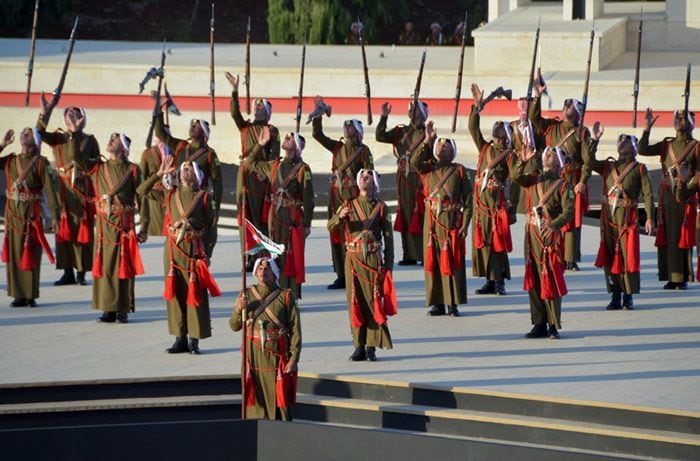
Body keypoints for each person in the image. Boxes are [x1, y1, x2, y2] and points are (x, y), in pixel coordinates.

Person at [137, 156, 219, 354]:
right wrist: (158, 174)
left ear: (197, 175)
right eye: (184, 168)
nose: (186, 170)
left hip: (194, 251)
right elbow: (142, 191)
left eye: (190, 168)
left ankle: (194, 339)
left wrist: (207, 253)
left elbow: (212, 228)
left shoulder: (205, 197)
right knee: (176, 293)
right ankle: (179, 337)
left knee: (195, 294)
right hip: (173, 251)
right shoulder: (169, 194)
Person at [530, 70, 597, 271]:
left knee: (571, 219)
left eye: (571, 104)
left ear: (578, 112)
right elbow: (536, 121)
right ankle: (552, 250)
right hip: (551, 177)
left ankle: (570, 257)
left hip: (571, 178)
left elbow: (587, 160)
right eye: (565, 104)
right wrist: (537, 97)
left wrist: (582, 181)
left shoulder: (581, 132)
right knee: (550, 215)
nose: (567, 106)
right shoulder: (553, 127)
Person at [327, 169, 396, 361]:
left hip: (373, 260)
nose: (365, 177)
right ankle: (358, 346)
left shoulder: (381, 208)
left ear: (375, 183)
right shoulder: (348, 204)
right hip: (353, 260)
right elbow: (330, 226)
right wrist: (340, 217)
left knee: (373, 301)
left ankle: (371, 347)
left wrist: (388, 266)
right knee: (354, 301)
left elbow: (389, 239)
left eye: (369, 176)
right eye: (362, 175)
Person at [80, 133, 147, 323]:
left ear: (124, 149)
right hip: (103, 226)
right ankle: (107, 308)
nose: (111, 139)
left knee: (123, 266)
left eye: (116, 139)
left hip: (123, 225)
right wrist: (75, 132)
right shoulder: (98, 167)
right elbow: (77, 158)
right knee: (105, 266)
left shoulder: (133, 170)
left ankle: (122, 308)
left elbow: (142, 199)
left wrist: (144, 227)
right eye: (110, 137)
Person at [510, 146, 574, 339]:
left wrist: (554, 225)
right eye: (546, 152)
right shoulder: (533, 178)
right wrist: (523, 161)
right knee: (534, 279)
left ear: (561, 161)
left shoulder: (564, 186)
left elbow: (569, 211)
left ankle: (553, 324)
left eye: (553, 153)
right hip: (531, 236)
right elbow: (515, 177)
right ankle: (539, 323)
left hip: (549, 237)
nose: (547, 154)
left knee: (551, 279)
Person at [312, 96, 374, 290]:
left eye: (351, 127)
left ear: (358, 132)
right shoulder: (337, 147)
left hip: (353, 198)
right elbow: (318, 135)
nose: (347, 129)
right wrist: (318, 115)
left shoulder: (364, 151)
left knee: (352, 236)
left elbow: (370, 174)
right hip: (335, 197)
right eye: (346, 127)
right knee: (336, 235)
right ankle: (340, 274)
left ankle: (355, 271)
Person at [411, 122, 472, 317]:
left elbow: (469, 200)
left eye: (446, 145)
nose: (441, 146)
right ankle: (437, 302)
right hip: (432, 222)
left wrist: (466, 224)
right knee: (433, 261)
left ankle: (453, 302)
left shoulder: (460, 170)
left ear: (453, 151)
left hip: (452, 219)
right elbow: (414, 162)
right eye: (438, 144)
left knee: (452, 261)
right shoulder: (427, 168)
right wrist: (427, 139)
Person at [245, 127, 314, 299]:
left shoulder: (303, 169)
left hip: (292, 216)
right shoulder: (274, 165)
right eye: (286, 136)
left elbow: (309, 199)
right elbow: (250, 163)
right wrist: (260, 145)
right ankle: (275, 292)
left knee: (292, 254)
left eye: (291, 137)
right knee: (274, 254)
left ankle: (291, 295)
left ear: (297, 146)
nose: (286, 138)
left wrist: (306, 224)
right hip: (274, 217)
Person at [36, 100, 100, 286]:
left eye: (76, 112)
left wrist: (76, 131)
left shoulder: (89, 139)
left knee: (82, 231)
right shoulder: (58, 138)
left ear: (82, 118)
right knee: (63, 232)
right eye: (68, 112)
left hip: (81, 190)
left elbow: (96, 163)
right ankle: (67, 272)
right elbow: (38, 134)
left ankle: (81, 272)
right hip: (62, 189)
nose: (71, 115)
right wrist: (44, 114)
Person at [589, 132, 654, 310]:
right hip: (609, 219)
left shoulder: (639, 168)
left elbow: (648, 194)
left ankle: (628, 295)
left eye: (627, 140)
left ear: (635, 148)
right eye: (620, 140)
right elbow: (589, 161)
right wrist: (594, 140)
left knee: (628, 257)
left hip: (628, 219)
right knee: (610, 257)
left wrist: (649, 217)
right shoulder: (608, 166)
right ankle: (615, 294)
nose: (622, 142)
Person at [230, 257, 301, 420]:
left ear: (275, 273)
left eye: (267, 268)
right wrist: (238, 309)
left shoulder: (286, 296)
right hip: (253, 359)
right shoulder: (246, 294)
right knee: (255, 402)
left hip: (276, 358)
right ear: (255, 272)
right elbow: (234, 326)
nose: (263, 272)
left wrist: (294, 358)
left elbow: (296, 329)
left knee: (279, 401)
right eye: (260, 268)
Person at [225, 72, 280, 271]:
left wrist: (265, 173)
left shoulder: (272, 130)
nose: (256, 107)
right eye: (255, 105)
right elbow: (234, 113)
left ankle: (263, 256)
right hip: (244, 176)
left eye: (260, 106)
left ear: (267, 112)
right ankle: (248, 257)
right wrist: (234, 91)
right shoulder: (245, 127)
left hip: (259, 175)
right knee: (244, 215)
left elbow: (274, 156)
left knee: (259, 217)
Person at [638, 108, 699, 290]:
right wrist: (647, 128)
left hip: (685, 195)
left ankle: (683, 277)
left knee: (682, 236)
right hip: (667, 197)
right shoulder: (667, 145)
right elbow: (643, 150)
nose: (678, 121)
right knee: (668, 237)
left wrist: (689, 182)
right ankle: (670, 277)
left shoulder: (696, 147)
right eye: (677, 118)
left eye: (683, 118)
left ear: (691, 124)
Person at [0, 128, 59, 307]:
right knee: (15, 253)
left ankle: (30, 294)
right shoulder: (10, 160)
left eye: (30, 132)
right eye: (23, 132)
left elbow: (50, 190)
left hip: (31, 214)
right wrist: (2, 145)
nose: (25, 133)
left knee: (31, 252)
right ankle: (18, 294)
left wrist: (55, 216)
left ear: (37, 141)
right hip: (13, 214)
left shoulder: (42, 163)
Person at [468, 84, 517, 296]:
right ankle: (488, 279)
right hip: (481, 204)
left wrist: (512, 208)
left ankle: (499, 282)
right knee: (484, 243)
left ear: (506, 135)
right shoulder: (485, 148)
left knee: (497, 243)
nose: (496, 127)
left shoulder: (509, 154)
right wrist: (478, 107)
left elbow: (514, 182)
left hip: (497, 204)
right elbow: (472, 127)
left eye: (501, 126)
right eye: (495, 125)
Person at [154, 101, 223, 250]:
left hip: (197, 198)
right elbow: (160, 134)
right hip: (178, 194)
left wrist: (215, 208)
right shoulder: (181, 146)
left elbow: (217, 183)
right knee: (174, 232)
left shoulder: (210, 154)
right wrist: (159, 111)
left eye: (196, 126)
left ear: (204, 133)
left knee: (197, 235)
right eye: (191, 125)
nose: (192, 127)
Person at [375, 100, 429, 266]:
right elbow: (380, 136)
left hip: (420, 179)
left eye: (419, 113)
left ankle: (423, 254)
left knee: (419, 213)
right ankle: (408, 255)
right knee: (405, 213)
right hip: (403, 179)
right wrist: (384, 117)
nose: (416, 115)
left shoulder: (428, 133)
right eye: (413, 112)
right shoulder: (401, 131)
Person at [139, 128, 173, 236]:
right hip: (153, 197)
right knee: (156, 230)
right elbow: (142, 180)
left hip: (171, 196)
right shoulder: (147, 153)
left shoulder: (175, 152)